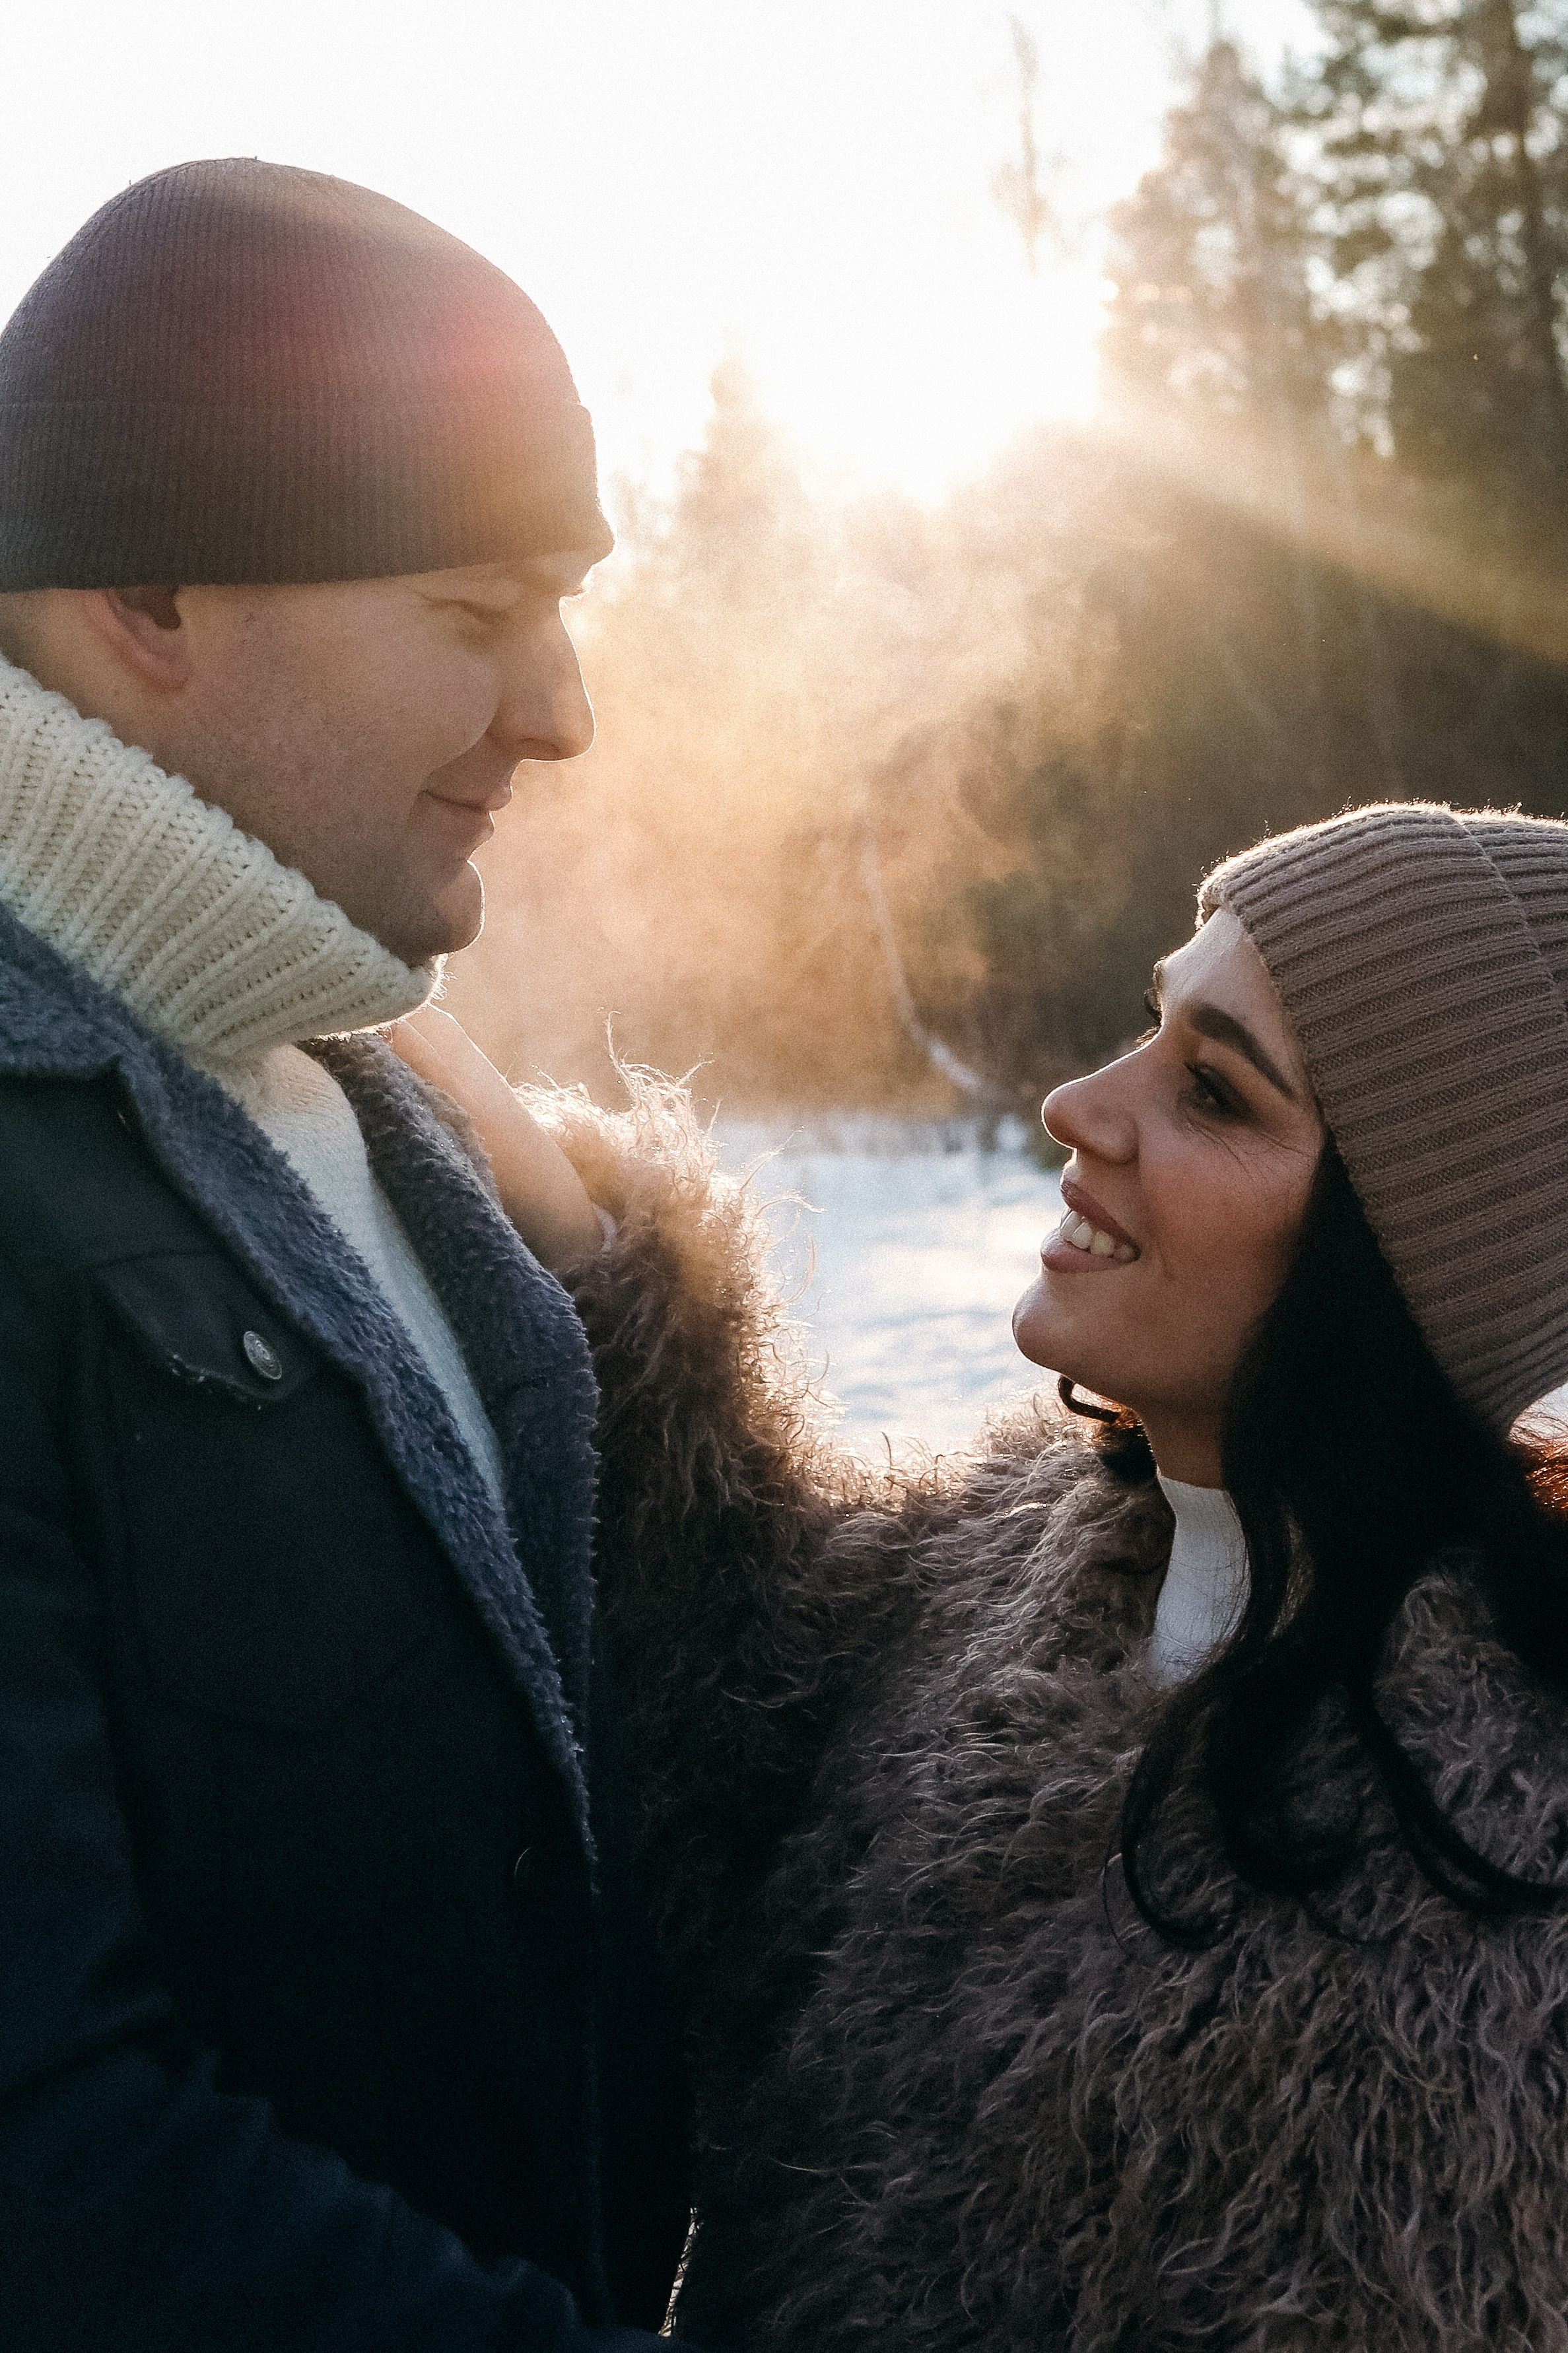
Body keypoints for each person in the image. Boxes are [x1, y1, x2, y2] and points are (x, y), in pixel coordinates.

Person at [421, 801, 1568, 2350]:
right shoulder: (1052, 1536)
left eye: (1214, 1092)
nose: (1078, 1103)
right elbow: (743, 1727)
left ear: (1413, 1262)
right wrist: (599, 1266)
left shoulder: (1477, 1937)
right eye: (1149, 1028)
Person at [0, 160, 693, 2349]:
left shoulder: (371, 1094)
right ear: (148, 595)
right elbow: (56, 2163)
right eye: (480, 614)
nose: (565, 711)